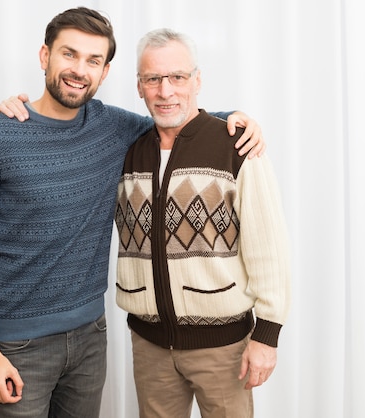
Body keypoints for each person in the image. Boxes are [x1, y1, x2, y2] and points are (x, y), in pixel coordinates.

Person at [0, 7, 265, 418]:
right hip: (18, 346)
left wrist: (235, 120)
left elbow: (172, 116)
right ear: (45, 56)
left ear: (106, 71)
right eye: (69, 54)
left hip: (90, 339)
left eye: (93, 61)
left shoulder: (114, 129)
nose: (79, 70)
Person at [113, 28, 291, 418]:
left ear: (197, 80)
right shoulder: (125, 153)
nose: (166, 91)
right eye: (153, 79)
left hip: (224, 348)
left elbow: (269, 247)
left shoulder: (237, 147)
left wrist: (267, 335)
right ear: (139, 86)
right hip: (150, 346)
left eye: (177, 77)